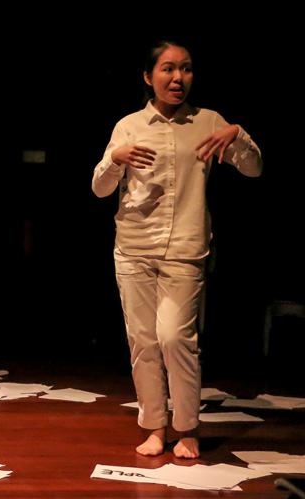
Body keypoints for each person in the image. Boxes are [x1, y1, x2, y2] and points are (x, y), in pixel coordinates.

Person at [92, 41, 262, 458]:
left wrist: (238, 135)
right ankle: (154, 426)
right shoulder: (128, 125)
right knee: (144, 341)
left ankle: (187, 427)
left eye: (185, 69)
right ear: (149, 77)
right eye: (168, 69)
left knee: (175, 338)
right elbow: (99, 188)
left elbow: (254, 167)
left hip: (184, 247)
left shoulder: (208, 121)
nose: (178, 77)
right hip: (133, 248)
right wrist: (117, 158)